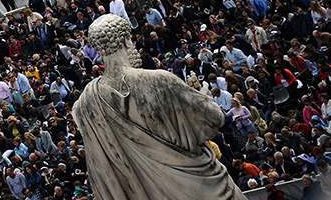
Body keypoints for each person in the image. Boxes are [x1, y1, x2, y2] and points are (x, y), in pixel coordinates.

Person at [73, 14, 245, 199]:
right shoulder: (158, 81)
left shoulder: (85, 105)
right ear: (125, 40)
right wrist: (204, 96)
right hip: (195, 186)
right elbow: (213, 119)